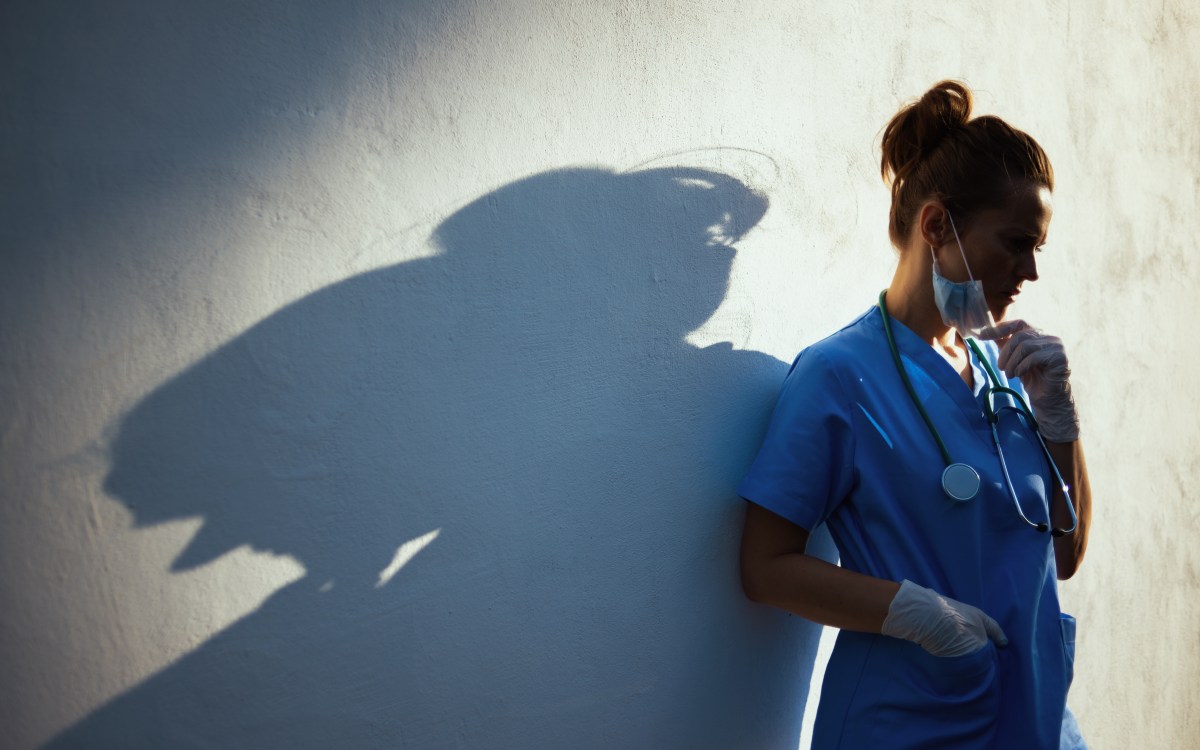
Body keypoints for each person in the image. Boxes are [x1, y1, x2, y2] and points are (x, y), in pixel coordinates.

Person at [738, 80, 1092, 749]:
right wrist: (915, 613)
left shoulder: (1011, 371)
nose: (1030, 270)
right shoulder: (838, 376)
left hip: (1035, 718)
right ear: (936, 226)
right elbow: (764, 566)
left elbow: (1066, 554)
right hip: (912, 720)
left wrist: (1061, 425)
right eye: (1016, 242)